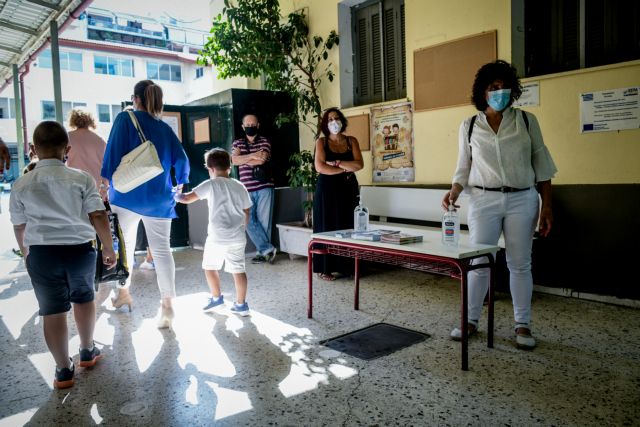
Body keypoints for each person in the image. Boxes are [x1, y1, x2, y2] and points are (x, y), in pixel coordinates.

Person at [441, 60, 557, 349]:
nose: (500, 92)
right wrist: (453, 191)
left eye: (505, 87)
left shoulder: (527, 121)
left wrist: (547, 206)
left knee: (519, 264)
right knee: (479, 262)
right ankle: (470, 320)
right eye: (493, 88)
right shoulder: (469, 126)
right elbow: (463, 167)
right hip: (483, 200)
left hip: (522, 199)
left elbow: (542, 166)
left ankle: (522, 325)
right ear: (483, 92)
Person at [9, 121, 116, 389]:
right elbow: (98, 214)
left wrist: (26, 252)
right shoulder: (81, 178)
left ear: (33, 149)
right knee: (83, 299)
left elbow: (19, 224)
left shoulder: (21, 184)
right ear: (67, 149)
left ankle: (63, 370)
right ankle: (87, 350)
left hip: (43, 255)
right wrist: (108, 247)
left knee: (52, 311)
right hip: (79, 250)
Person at [100, 80, 190, 328]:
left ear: (136, 99)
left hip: (126, 195)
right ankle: (168, 306)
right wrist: (180, 183)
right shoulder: (163, 127)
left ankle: (123, 294)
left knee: (126, 247)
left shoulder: (124, 119)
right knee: (162, 251)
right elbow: (181, 159)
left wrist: (106, 182)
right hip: (159, 198)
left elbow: (111, 156)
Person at [175, 148, 253, 316]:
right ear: (229, 167)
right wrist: (242, 227)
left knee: (210, 267)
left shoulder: (211, 184)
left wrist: (175, 194)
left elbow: (187, 198)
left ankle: (217, 298)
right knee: (238, 269)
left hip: (217, 236)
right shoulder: (240, 186)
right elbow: (247, 211)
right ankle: (241, 305)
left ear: (210, 169)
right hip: (238, 236)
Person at [313, 108, 364, 281]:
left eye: (336, 118)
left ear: (342, 120)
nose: (334, 122)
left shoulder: (351, 141)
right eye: (329, 119)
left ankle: (347, 266)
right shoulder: (321, 142)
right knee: (327, 225)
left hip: (348, 189)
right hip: (326, 189)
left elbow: (359, 165)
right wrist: (344, 169)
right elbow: (320, 167)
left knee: (348, 224)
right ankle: (324, 268)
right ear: (325, 124)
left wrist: (338, 163)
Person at [231, 114, 277, 264]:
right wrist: (253, 156)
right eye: (247, 124)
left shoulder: (264, 141)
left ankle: (262, 253)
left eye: (253, 123)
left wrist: (245, 158)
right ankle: (267, 249)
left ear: (258, 125)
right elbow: (234, 160)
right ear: (243, 127)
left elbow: (262, 159)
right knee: (248, 220)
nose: (250, 126)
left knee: (265, 222)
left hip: (264, 187)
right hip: (246, 189)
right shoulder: (237, 143)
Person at [66, 109, 106, 185]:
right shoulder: (99, 140)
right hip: (94, 183)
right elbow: (105, 164)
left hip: (74, 182)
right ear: (91, 120)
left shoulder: (67, 137)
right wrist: (104, 187)